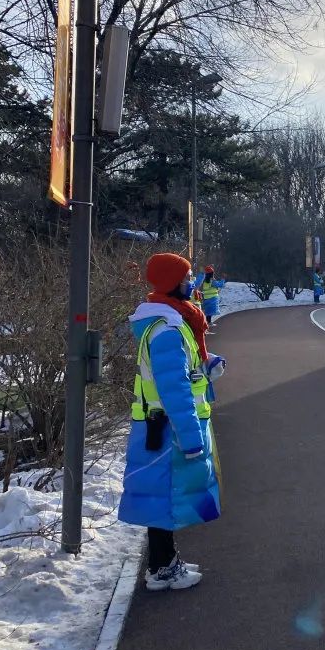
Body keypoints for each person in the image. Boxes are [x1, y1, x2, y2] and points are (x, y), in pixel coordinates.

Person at [119, 253, 226, 592]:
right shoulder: (167, 329)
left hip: (161, 426)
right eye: (186, 277)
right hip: (168, 428)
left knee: (163, 496)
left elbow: (178, 372)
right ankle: (163, 569)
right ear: (171, 282)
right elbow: (174, 390)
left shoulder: (168, 320)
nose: (191, 282)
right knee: (165, 497)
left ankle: (164, 562)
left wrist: (206, 366)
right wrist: (191, 439)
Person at [197, 265, 227, 331]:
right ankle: (208, 323)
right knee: (210, 312)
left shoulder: (205, 281)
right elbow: (220, 285)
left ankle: (207, 322)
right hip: (212, 298)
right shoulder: (212, 281)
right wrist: (223, 279)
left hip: (206, 298)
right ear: (212, 274)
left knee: (208, 311)